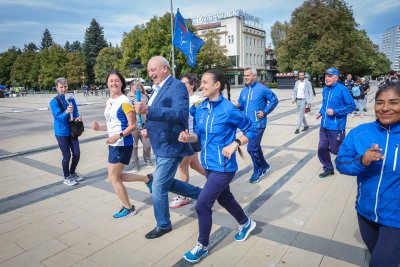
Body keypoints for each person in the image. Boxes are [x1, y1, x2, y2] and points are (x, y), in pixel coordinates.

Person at [179, 69, 257, 264]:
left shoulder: (229, 109)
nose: (201, 85)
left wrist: (235, 144)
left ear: (217, 85)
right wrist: (189, 138)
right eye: (201, 82)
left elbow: (252, 129)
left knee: (202, 204)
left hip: (224, 168)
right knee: (225, 198)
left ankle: (202, 246)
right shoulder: (200, 108)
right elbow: (198, 134)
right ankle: (246, 223)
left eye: (205, 82)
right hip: (208, 165)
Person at [134, 56, 202, 239]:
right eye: (149, 71)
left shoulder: (177, 86)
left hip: (171, 145)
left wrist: (148, 110)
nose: (150, 74)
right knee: (167, 183)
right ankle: (204, 195)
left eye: (153, 70)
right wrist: (148, 127)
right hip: (160, 144)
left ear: (165, 68)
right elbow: (157, 116)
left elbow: (180, 113)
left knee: (158, 187)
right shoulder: (156, 89)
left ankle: (163, 224)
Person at [335, 82, 400, 267]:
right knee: (378, 257)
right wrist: (362, 161)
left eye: (393, 102)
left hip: (396, 219)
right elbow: (341, 163)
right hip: (366, 213)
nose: (385, 108)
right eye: (379, 102)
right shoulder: (361, 133)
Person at [91, 69, 153, 219]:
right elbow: (113, 124)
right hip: (115, 143)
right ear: (107, 83)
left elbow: (133, 125)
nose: (114, 83)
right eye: (111, 80)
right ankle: (147, 179)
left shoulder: (124, 101)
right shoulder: (110, 101)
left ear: (121, 83)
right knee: (116, 177)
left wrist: (117, 136)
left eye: (117, 81)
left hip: (122, 143)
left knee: (113, 178)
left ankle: (129, 207)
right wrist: (100, 128)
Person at [235, 67, 279, 183]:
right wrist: (238, 106)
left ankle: (258, 170)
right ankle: (264, 165)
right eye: (244, 75)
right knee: (256, 147)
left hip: (258, 124)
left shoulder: (262, 89)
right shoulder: (244, 91)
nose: (245, 77)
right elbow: (242, 105)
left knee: (251, 148)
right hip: (247, 125)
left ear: (254, 76)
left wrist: (265, 111)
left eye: (248, 75)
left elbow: (274, 100)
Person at [169, 73, 206, 209]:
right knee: (195, 165)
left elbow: (201, 121)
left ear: (192, 85)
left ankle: (183, 196)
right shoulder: (180, 100)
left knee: (182, 166)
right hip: (182, 139)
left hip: (192, 139)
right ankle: (214, 180)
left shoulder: (197, 101)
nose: (181, 86)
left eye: (184, 83)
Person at [315, 68, 355, 178]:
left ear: (336, 78)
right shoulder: (325, 89)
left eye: (329, 76)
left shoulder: (342, 89)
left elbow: (352, 106)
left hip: (336, 127)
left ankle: (356, 159)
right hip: (324, 126)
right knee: (322, 148)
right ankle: (328, 169)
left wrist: (335, 112)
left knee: (335, 149)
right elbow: (325, 105)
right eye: (326, 76)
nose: (326, 78)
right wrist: (320, 112)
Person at [50, 78, 84, 186]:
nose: (63, 89)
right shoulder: (54, 101)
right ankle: (66, 177)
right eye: (61, 87)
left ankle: (72, 172)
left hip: (72, 130)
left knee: (77, 153)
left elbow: (76, 111)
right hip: (61, 132)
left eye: (65, 86)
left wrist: (78, 116)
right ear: (57, 88)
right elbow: (58, 118)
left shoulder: (70, 98)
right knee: (66, 156)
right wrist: (66, 112)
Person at [127, 80, 153, 173]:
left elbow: (150, 109)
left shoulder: (144, 96)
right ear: (132, 86)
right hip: (133, 126)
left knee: (147, 145)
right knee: (134, 146)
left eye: (140, 85)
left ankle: (147, 160)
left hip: (144, 125)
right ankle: (135, 165)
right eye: (137, 85)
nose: (139, 86)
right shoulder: (127, 98)